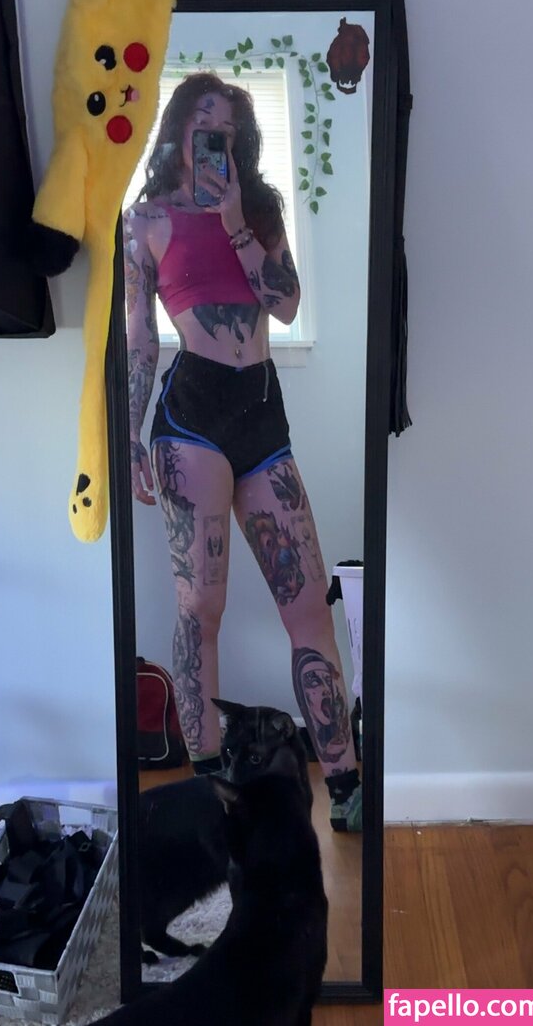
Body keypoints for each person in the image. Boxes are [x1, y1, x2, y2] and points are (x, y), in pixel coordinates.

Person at [123, 72, 361, 831]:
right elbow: (139, 338)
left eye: (227, 134)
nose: (214, 145)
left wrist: (234, 222)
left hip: (262, 414)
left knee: (308, 605)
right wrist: (129, 432)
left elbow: (285, 303)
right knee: (201, 607)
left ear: (242, 142)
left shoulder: (257, 210)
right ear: (178, 133)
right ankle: (207, 787)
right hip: (191, 414)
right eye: (204, 131)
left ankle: (346, 782)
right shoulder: (146, 220)